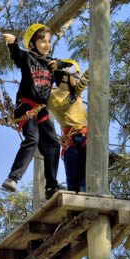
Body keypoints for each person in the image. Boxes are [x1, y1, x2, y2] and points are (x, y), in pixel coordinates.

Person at [0, 23, 65, 200]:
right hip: (27, 107)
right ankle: (13, 177)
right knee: (33, 138)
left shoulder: (51, 65)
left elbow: (70, 71)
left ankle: (51, 185)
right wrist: (12, 43)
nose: (46, 44)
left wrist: (59, 64)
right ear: (32, 44)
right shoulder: (28, 58)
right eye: (42, 41)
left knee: (53, 143)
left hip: (42, 110)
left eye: (49, 41)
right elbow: (17, 55)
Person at [47, 60, 89, 193]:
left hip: (86, 137)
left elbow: (86, 78)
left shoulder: (77, 91)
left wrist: (92, 61)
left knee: (84, 177)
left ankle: (83, 204)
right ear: (65, 77)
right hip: (70, 140)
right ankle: (74, 209)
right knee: (73, 178)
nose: (77, 79)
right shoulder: (51, 96)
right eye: (74, 75)